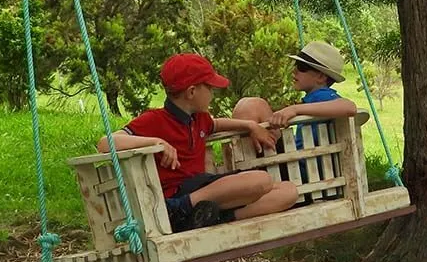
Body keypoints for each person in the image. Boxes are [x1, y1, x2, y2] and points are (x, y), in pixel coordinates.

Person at [97, 53, 298, 232]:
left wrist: (250, 126)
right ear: (192, 92)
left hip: (204, 191)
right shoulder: (155, 120)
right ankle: (178, 210)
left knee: (288, 192)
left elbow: (216, 124)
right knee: (260, 181)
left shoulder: (199, 119)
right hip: (177, 193)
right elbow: (105, 143)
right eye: (209, 87)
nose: (213, 92)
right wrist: (156, 142)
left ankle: (211, 218)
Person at [232, 41, 359, 190]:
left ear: (320, 77)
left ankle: (244, 180)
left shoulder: (322, 96)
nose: (294, 71)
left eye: (301, 67)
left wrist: (295, 109)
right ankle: (245, 177)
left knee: (252, 105)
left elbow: (350, 107)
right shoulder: (315, 99)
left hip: (300, 171)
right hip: (298, 166)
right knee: (250, 105)